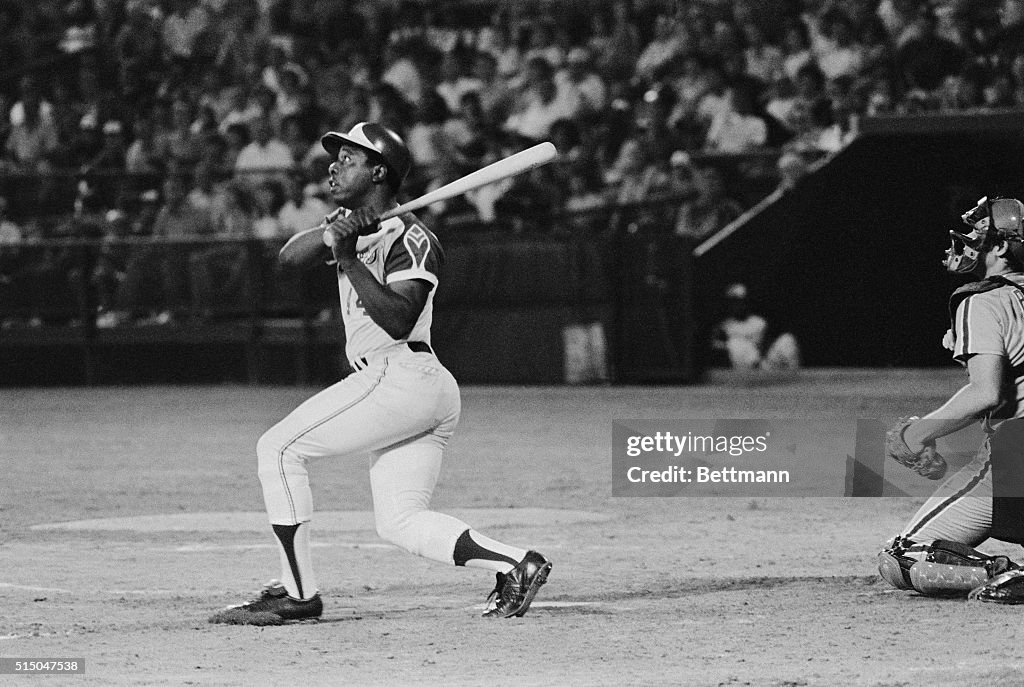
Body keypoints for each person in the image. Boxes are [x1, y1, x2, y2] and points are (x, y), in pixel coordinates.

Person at [209, 122, 552, 626]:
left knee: (279, 449)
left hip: (402, 374)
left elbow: (398, 317)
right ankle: (516, 564)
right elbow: (288, 257)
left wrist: (347, 257)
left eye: (348, 158)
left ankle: (297, 592)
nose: (333, 164)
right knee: (400, 522)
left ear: (378, 171)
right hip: (409, 386)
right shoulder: (356, 225)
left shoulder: (413, 236)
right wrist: (335, 232)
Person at [878, 196, 1024, 604]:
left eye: (978, 234)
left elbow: (986, 393)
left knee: (903, 557)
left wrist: (917, 432)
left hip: (1019, 454)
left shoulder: (982, 299)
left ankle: (1005, 575)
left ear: (1000, 248)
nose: (965, 243)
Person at [710, 283, 800, 371]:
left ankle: (793, 379)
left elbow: (767, 346)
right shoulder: (724, 326)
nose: (738, 305)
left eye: (740, 301)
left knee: (787, 339)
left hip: (763, 366)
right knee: (734, 343)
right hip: (739, 371)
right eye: (734, 302)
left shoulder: (759, 323)